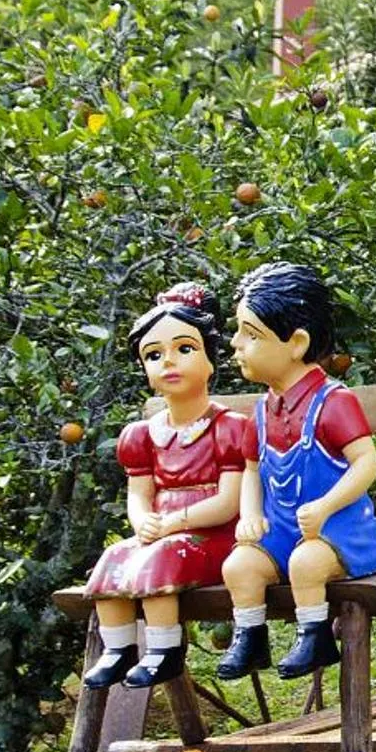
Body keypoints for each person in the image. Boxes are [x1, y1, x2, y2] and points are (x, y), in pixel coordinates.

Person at [80, 284, 257, 691]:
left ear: (210, 360)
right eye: (154, 355)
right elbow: (139, 492)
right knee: (113, 556)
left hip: (214, 535)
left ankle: (164, 651)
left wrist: (172, 523)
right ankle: (119, 648)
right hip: (162, 529)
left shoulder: (229, 427)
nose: (168, 363)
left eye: (184, 349)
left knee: (161, 557)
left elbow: (229, 502)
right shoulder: (142, 434)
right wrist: (142, 521)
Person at [218, 262, 376, 683]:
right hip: (281, 530)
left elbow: (367, 463)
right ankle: (250, 637)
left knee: (307, 562)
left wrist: (327, 505)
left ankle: (314, 636)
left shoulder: (334, 402)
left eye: (250, 334)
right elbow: (252, 470)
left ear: (296, 343)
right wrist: (250, 514)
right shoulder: (262, 410)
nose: (236, 343)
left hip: (339, 530)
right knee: (239, 566)